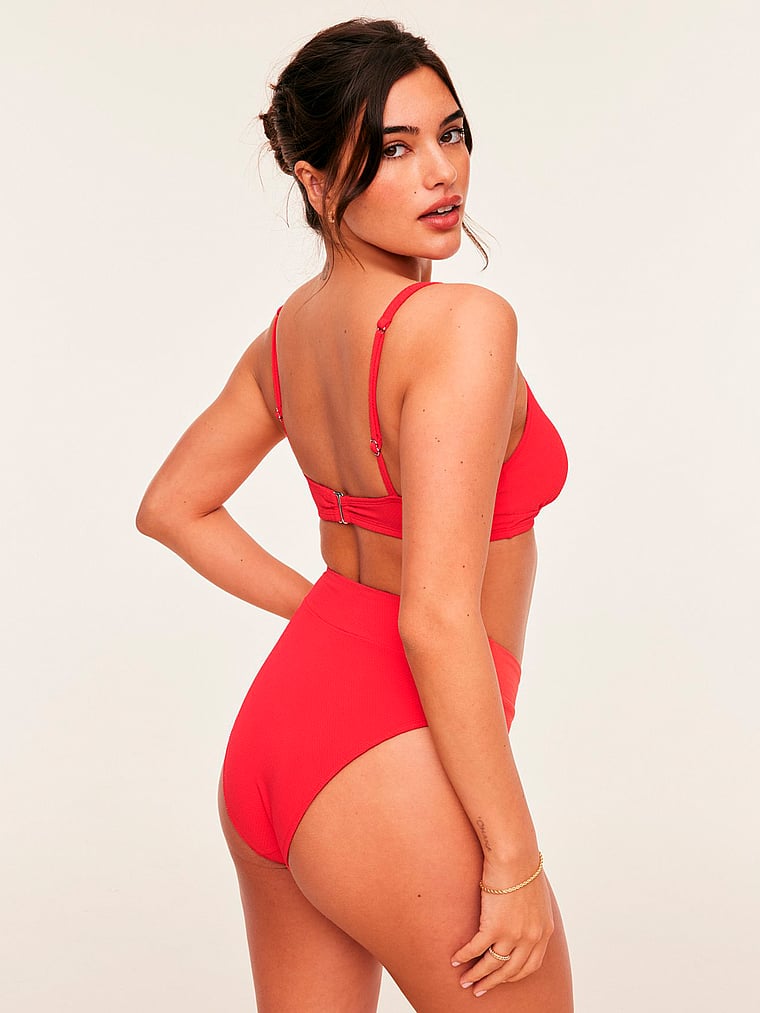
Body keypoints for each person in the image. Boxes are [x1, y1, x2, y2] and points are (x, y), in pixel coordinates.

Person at [136, 17, 573, 1012]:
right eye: (394, 149)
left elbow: (172, 505)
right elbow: (435, 618)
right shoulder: (465, 325)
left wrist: (330, 619)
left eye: (449, 133)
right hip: (388, 750)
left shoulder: (286, 336)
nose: (441, 172)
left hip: (281, 736)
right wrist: (514, 857)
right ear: (316, 182)